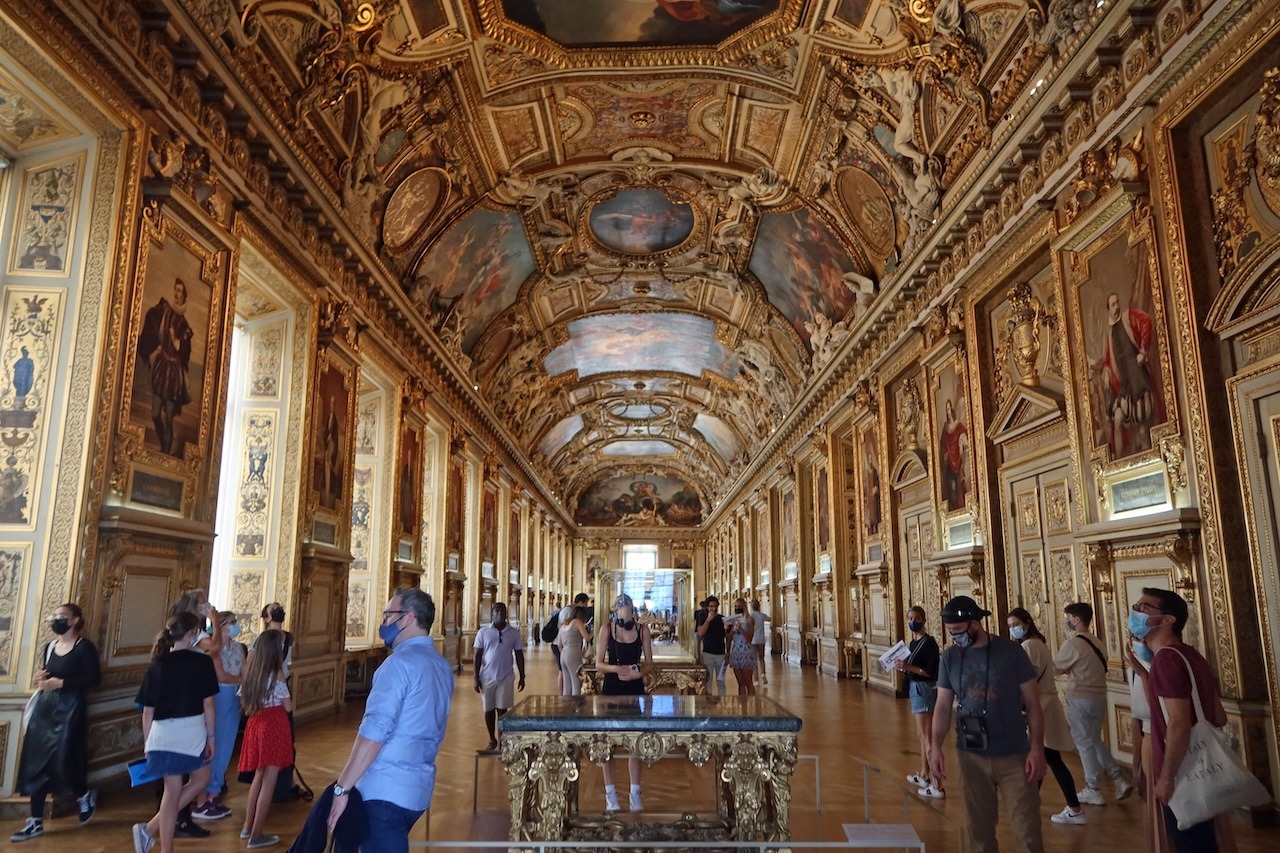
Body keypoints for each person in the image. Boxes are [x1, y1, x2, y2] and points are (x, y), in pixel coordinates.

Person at [327, 588, 453, 852]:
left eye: (387, 615)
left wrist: (342, 788)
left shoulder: (398, 665)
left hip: (384, 792)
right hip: (417, 791)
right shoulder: (441, 665)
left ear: (407, 618)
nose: (383, 622)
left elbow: (374, 734)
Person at [930, 596, 1046, 853]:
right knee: (979, 833)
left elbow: (1034, 703)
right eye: (951, 633)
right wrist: (935, 746)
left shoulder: (1011, 652)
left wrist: (1037, 748)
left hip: (1014, 754)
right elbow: (941, 705)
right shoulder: (950, 658)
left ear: (975, 623)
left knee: (1027, 831)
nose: (955, 637)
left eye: (959, 631)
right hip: (970, 755)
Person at [1133, 587, 1237, 852]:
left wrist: (1167, 777)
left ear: (1168, 620)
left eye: (1144, 607)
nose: (1135, 611)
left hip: (1181, 770)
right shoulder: (1190, 655)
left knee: (1191, 844)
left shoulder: (1166, 660)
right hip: (1200, 766)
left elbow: (1178, 724)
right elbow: (1219, 716)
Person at [12, 604, 101, 842]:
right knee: (36, 762)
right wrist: (42, 677)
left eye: (62, 617)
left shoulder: (84, 648)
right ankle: (35, 820)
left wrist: (61, 683)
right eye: (55, 616)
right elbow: (48, 672)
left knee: (65, 758)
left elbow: (93, 679)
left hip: (70, 709)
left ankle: (83, 796)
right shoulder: (49, 647)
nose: (57, 620)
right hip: (45, 708)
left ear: (74, 621)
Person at [131, 612, 220, 853]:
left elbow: (147, 712)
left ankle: (158, 841)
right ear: (192, 633)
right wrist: (212, 736)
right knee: (200, 779)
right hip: (190, 731)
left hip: (161, 734)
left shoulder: (157, 664)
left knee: (172, 792)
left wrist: (149, 743)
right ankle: (149, 832)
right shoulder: (202, 662)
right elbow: (208, 704)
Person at [1007, 607, 1082, 825]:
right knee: (1046, 757)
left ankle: (1071, 807)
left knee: (1047, 757)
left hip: (1041, 706)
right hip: (1043, 704)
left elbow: (1027, 678)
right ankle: (1034, 803)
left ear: (1027, 623)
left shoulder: (1030, 645)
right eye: (1010, 626)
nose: (1013, 629)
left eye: (1015, 625)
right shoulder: (1036, 643)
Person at [1054, 601, 1131, 805]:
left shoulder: (1073, 644)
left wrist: (1068, 669)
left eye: (1068, 618)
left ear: (1076, 619)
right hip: (1099, 697)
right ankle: (1118, 777)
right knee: (1094, 739)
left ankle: (1093, 788)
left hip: (1080, 697)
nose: (1068, 621)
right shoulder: (1098, 642)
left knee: (1084, 743)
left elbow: (1056, 667)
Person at [594, 594, 654, 812]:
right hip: (611, 688)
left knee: (635, 742)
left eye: (628, 610)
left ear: (632, 612)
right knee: (607, 743)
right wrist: (616, 669)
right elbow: (599, 663)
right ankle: (610, 794)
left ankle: (635, 792)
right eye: (621, 610)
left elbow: (649, 663)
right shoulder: (606, 630)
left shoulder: (643, 631)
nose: (624, 614)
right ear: (615, 611)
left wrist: (638, 674)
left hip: (634, 688)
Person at [237, 629, 293, 849]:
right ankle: (257, 834)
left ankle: (247, 826)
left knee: (258, 777)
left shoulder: (251, 673)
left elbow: (245, 703)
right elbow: (288, 706)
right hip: (274, 725)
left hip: (256, 724)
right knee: (269, 779)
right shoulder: (277, 674)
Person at [1093, 290, 1162, 456]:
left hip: (1138, 381)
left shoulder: (1128, 316)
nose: (1116, 307)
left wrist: (1144, 351)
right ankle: (1118, 462)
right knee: (1117, 420)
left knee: (1143, 430)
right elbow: (1109, 359)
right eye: (1112, 305)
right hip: (1125, 387)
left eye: (1117, 303)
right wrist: (1107, 370)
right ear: (1108, 310)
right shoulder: (1110, 333)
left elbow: (1146, 321)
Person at [192, 610, 244, 821]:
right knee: (216, 745)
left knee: (226, 747)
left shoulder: (238, 647)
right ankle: (203, 797)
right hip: (220, 695)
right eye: (231, 622)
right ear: (220, 625)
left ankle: (214, 793)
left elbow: (242, 672)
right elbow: (220, 675)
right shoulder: (214, 648)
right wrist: (243, 682)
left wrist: (243, 684)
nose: (235, 625)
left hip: (235, 697)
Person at [1124, 616, 1168, 851]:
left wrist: (1143, 674)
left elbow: (1163, 711)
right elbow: (1136, 719)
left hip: (1168, 744)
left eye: (1143, 637)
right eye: (1135, 638)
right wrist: (1135, 764)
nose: (1139, 642)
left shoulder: (1164, 666)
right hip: (1149, 744)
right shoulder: (1135, 670)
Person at [136, 277, 194, 456]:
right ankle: (163, 444)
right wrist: (157, 343)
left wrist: (175, 340)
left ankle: (165, 453)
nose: (176, 294)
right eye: (175, 290)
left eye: (180, 291)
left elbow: (184, 351)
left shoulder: (184, 325)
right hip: (162, 367)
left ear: (184, 296)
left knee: (168, 417)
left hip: (174, 373)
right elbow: (154, 318)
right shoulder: (166, 310)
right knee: (155, 414)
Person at [894, 605, 942, 799]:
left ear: (923, 619)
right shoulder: (912, 644)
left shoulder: (929, 644)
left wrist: (908, 667)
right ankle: (924, 774)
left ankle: (938, 784)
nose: (912, 621)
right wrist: (903, 667)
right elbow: (911, 667)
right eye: (910, 618)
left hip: (924, 688)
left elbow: (929, 672)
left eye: (916, 618)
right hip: (915, 687)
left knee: (927, 737)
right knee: (921, 735)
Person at [473, 602, 525, 752]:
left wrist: (522, 675)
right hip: (487, 677)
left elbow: (519, 654)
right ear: (491, 613)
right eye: (496, 611)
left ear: (506, 614)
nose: (499, 614)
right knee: (488, 709)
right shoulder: (483, 632)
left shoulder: (513, 633)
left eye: (501, 611)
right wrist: (475, 677)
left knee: (502, 710)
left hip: (506, 676)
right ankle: (491, 738)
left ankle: (502, 739)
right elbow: (477, 655)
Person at [939, 398, 969, 511]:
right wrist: (945, 454)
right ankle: (955, 508)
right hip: (950, 462)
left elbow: (964, 435)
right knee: (952, 487)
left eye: (949, 408)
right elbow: (942, 445)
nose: (949, 411)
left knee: (960, 484)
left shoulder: (958, 425)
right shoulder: (945, 428)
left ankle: (962, 505)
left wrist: (962, 441)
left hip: (958, 457)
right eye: (946, 409)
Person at [558, 604, 593, 696]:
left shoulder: (563, 626)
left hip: (563, 654)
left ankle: (566, 706)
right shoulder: (577, 622)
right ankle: (575, 707)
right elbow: (587, 637)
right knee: (576, 682)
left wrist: (565, 652)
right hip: (573, 653)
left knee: (567, 683)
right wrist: (596, 630)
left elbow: (559, 644)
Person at [696, 596, 727, 696]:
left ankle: (722, 701)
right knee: (707, 681)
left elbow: (728, 637)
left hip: (721, 654)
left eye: (715, 606)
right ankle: (708, 703)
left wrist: (728, 652)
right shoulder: (702, 618)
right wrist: (708, 620)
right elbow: (700, 633)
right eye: (711, 606)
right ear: (707, 607)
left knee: (721, 681)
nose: (713, 609)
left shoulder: (722, 619)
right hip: (707, 654)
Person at [726, 598, 756, 695]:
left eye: (739, 607)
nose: (737, 609)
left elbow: (749, 638)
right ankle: (743, 707)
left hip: (746, 651)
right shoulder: (733, 620)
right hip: (736, 652)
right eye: (735, 607)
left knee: (748, 683)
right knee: (740, 683)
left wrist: (740, 628)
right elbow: (729, 638)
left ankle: (753, 704)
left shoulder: (749, 620)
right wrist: (728, 629)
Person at [750, 599, 769, 685]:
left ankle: (756, 680)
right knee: (761, 658)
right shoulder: (762, 615)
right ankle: (763, 674)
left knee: (754, 660)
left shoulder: (750, 616)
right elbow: (769, 619)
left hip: (753, 640)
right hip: (761, 639)